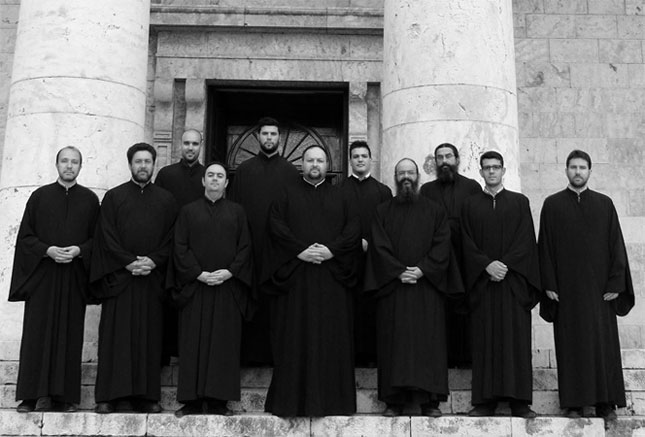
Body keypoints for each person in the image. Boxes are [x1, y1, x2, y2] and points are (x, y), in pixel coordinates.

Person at [263, 145, 360, 417]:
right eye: (310, 160)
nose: (315, 165)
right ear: (302, 164)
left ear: (327, 165)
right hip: (296, 281)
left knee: (332, 340)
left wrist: (331, 251)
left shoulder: (342, 196)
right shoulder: (285, 195)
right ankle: (290, 402)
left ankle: (334, 403)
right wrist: (299, 251)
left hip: (332, 281)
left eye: (319, 160)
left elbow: (353, 230)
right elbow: (275, 227)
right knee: (294, 340)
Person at [538, 149, 634, 421]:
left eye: (582, 167)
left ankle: (606, 404)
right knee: (571, 346)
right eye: (573, 167)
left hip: (600, 292)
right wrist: (549, 283)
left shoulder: (605, 204)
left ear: (590, 171)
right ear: (566, 171)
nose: (577, 172)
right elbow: (544, 247)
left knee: (603, 346)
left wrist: (616, 282)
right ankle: (574, 403)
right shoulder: (552, 205)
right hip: (566, 292)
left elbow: (616, 245)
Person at [364, 158, 459, 417]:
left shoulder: (435, 211)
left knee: (429, 345)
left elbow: (442, 244)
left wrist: (422, 269)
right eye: (401, 173)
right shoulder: (382, 211)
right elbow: (378, 246)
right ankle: (394, 401)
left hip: (427, 289)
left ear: (418, 176)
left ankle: (429, 402)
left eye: (410, 172)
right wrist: (397, 271)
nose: (406, 177)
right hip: (393, 290)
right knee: (394, 346)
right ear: (395, 177)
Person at [9, 147, 99, 413]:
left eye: (74, 162)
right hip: (43, 278)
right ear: (56, 164)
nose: (69, 166)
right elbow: (25, 237)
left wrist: (79, 250)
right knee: (36, 334)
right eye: (65, 161)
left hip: (73, 277)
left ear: (81, 166)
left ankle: (64, 397)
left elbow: (98, 239)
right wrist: (46, 250)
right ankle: (30, 396)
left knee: (69, 335)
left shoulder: (90, 200)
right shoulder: (40, 197)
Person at [91, 143, 178, 414]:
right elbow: (106, 236)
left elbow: (173, 238)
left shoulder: (167, 200)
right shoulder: (114, 197)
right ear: (130, 164)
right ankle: (109, 396)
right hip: (120, 280)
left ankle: (146, 396)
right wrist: (128, 262)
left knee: (148, 340)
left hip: (151, 281)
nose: (143, 166)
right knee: (115, 339)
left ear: (154, 164)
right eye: (138, 161)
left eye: (147, 161)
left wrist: (153, 260)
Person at [460, 151, 540, 418]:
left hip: (513, 284)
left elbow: (526, 240)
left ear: (504, 171)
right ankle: (485, 401)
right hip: (483, 285)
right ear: (481, 172)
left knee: (516, 342)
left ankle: (520, 402)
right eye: (487, 168)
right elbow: (466, 242)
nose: (492, 171)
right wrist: (486, 265)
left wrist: (504, 265)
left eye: (496, 167)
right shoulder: (470, 205)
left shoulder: (519, 202)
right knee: (485, 343)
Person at [171, 162, 252, 417]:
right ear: (203, 181)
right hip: (196, 288)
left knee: (223, 345)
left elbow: (245, 247)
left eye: (220, 176)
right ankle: (191, 401)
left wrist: (229, 272)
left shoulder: (237, 212)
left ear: (226, 182)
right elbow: (180, 246)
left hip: (227, 289)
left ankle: (219, 401)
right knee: (192, 344)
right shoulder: (188, 212)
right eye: (211, 175)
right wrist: (198, 273)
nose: (215, 179)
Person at [228, 117, 300, 366]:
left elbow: (295, 214)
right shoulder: (244, 171)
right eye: (265, 134)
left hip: (280, 256)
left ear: (279, 137)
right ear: (258, 137)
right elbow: (234, 213)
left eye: (273, 134)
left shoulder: (291, 172)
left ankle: (278, 359)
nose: (269, 138)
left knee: (278, 309)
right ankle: (247, 358)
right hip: (249, 252)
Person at [420, 143, 481, 368]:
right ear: (435, 162)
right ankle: (441, 358)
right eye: (440, 157)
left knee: (466, 307)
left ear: (457, 159)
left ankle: (467, 358)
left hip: (465, 258)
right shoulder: (427, 190)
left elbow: (478, 221)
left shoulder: (472, 187)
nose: (444, 161)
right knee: (440, 308)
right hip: (438, 260)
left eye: (448, 156)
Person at [155, 129, 206, 365]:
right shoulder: (166, 175)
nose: (190, 148)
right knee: (168, 303)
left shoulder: (208, 175)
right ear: (180, 145)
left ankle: (190, 354)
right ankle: (166, 353)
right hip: (169, 249)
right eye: (186, 143)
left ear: (201, 146)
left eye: (195, 143)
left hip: (198, 254)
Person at [339, 140, 392, 367]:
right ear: (350, 161)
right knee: (347, 309)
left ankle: (371, 357)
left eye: (364, 156)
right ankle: (347, 355)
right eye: (356, 156)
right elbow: (335, 224)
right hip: (346, 262)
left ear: (371, 159)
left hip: (375, 261)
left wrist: (372, 242)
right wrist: (353, 243)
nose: (360, 160)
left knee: (372, 310)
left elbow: (389, 225)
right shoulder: (339, 190)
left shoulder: (383, 191)